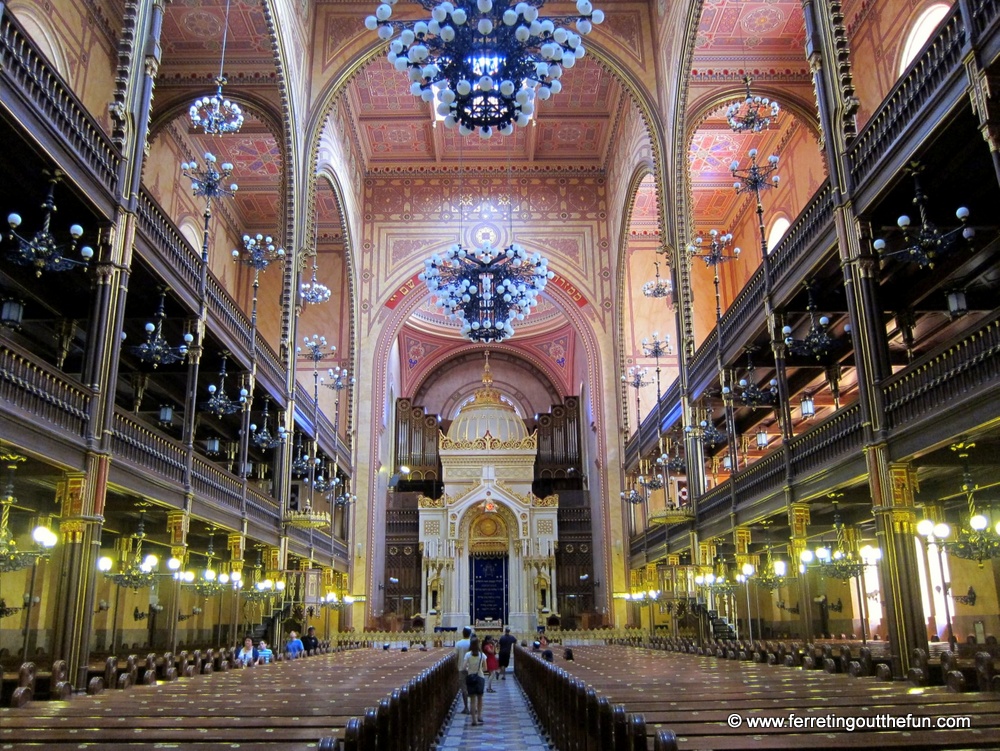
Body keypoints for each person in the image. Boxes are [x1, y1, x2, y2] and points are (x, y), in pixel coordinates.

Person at [463, 637, 487, 726]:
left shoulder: (468, 655)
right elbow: (486, 668)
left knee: (472, 700)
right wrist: (479, 669)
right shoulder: (482, 655)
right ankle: (479, 716)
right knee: (480, 698)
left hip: (470, 677)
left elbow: (463, 667)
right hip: (480, 677)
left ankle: (473, 720)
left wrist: (469, 669)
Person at [454, 626, 472, 714]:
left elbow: (455, 656)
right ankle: (473, 707)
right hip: (472, 668)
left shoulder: (459, 644)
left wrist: (455, 667)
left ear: (463, 633)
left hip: (461, 668)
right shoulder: (472, 643)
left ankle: (466, 707)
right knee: (472, 687)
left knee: (464, 688)